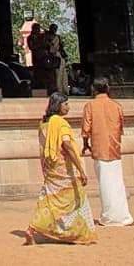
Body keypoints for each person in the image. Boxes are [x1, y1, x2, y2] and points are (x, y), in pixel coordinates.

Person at [24, 92, 96, 246]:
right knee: (75, 198)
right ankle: (77, 234)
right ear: (58, 106)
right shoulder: (61, 123)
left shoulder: (44, 123)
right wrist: (80, 169)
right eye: (66, 104)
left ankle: (32, 228)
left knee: (49, 198)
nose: (68, 107)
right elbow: (67, 146)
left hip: (50, 167)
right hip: (63, 168)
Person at [82, 78, 134, 226]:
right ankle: (122, 215)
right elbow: (121, 127)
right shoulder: (116, 105)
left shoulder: (90, 106)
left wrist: (86, 145)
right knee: (117, 182)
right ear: (108, 88)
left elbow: (86, 129)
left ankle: (109, 216)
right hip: (114, 148)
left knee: (105, 183)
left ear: (94, 89)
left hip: (99, 148)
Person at [48, 24, 69, 94]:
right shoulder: (46, 37)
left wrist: (65, 56)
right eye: (53, 28)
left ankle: (65, 90)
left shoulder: (57, 37)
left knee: (63, 74)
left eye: (55, 28)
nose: (54, 30)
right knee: (56, 75)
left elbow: (61, 47)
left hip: (59, 56)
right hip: (51, 57)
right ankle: (59, 90)